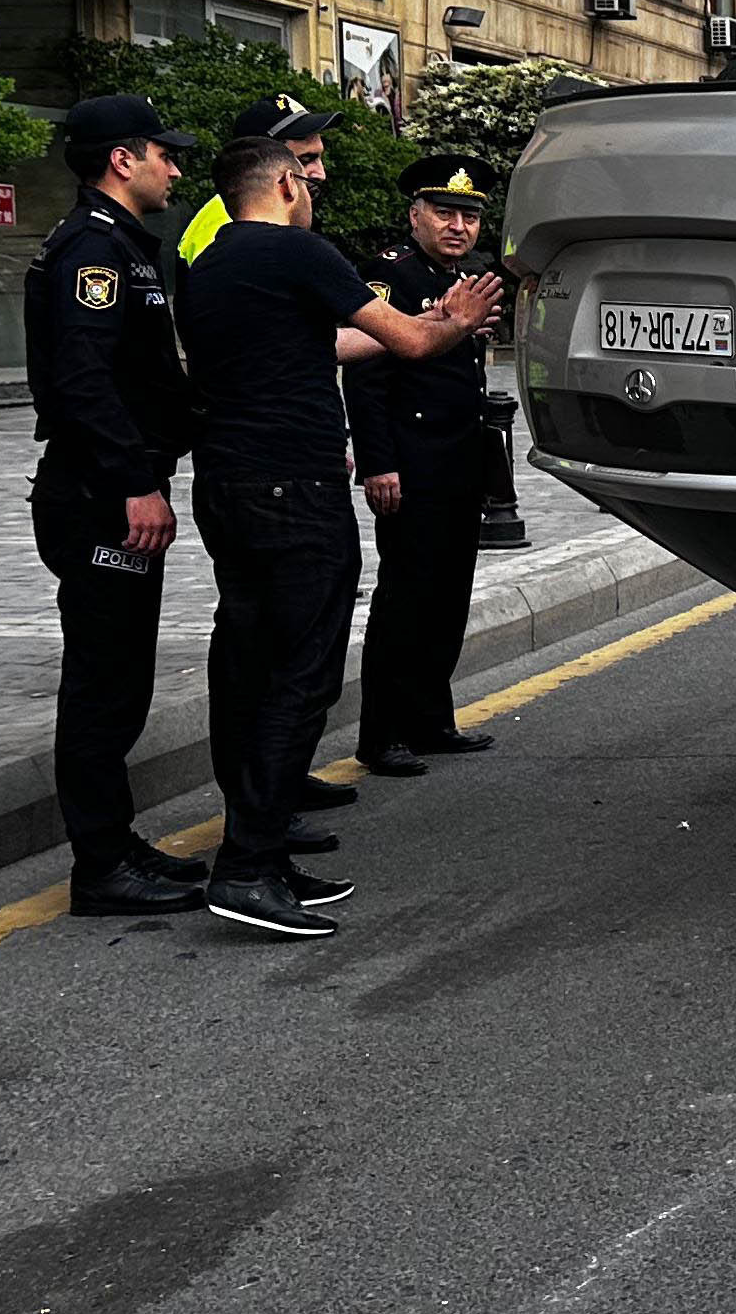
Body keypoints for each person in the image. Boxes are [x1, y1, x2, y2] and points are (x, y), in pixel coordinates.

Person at [174, 136, 500, 939]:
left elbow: (327, 344)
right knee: (303, 674)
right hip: (296, 490)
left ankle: (263, 851)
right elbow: (416, 347)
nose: (315, 189)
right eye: (307, 179)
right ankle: (249, 865)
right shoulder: (299, 250)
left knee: (253, 665)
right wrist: (451, 320)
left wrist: (421, 319)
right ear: (286, 185)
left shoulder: (212, 259)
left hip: (230, 485)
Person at [24, 94, 216, 915]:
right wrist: (134, 481)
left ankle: (115, 842)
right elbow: (82, 381)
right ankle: (99, 867)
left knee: (124, 681)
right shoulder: (90, 253)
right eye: (163, 154)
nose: (175, 168)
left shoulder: (126, 246)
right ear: (122, 159)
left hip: (117, 484)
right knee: (103, 687)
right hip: (101, 495)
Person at [347, 154, 507, 779]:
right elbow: (365, 377)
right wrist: (378, 464)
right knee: (406, 599)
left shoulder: (473, 277)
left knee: (449, 596)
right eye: (444, 212)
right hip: (409, 465)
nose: (457, 226)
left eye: (469, 215)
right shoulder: (388, 277)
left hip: (459, 459)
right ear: (415, 214)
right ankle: (381, 733)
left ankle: (430, 719)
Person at [169, 94, 337, 267]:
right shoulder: (225, 224)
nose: (321, 173)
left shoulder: (256, 216)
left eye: (319, 158)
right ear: (264, 161)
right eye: (306, 159)